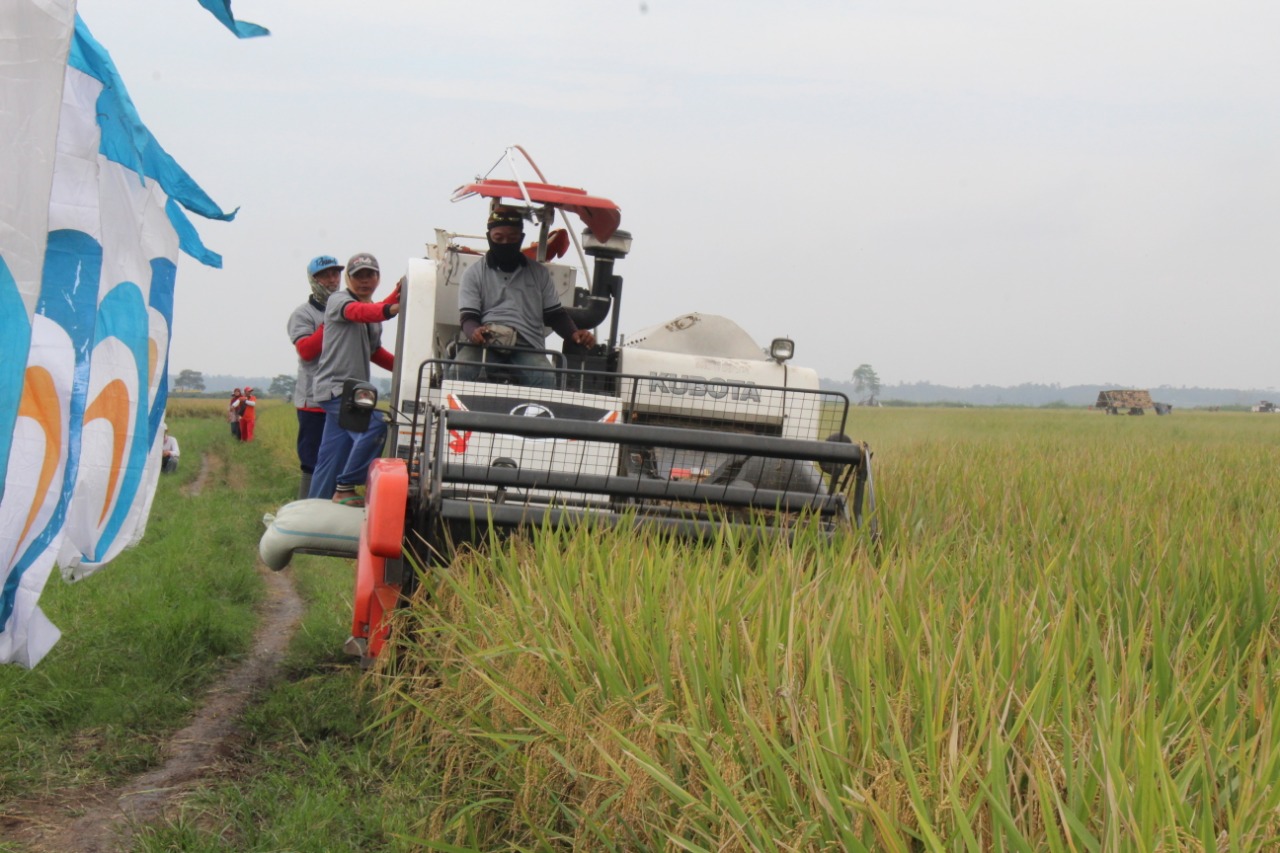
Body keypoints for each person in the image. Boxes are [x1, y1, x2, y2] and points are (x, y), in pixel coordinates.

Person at [452, 206, 595, 388]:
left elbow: (555, 315)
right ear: (490, 237)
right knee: (459, 370)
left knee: (546, 378)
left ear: (521, 238)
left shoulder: (540, 274)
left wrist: (574, 333)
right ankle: (457, 415)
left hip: (527, 346)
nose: (505, 243)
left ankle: (537, 416)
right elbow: (468, 317)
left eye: (512, 239)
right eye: (499, 238)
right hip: (487, 344)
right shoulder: (472, 274)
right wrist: (474, 332)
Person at [308, 252, 399, 505]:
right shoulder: (339, 300)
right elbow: (359, 312)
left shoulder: (374, 316)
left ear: (378, 278)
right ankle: (346, 488)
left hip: (353, 393)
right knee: (376, 425)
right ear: (348, 278)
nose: (364, 280)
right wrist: (391, 307)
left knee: (330, 458)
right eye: (358, 275)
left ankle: (312, 513)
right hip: (336, 389)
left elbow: (375, 352)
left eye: (370, 274)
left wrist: (405, 368)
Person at [288, 255, 344, 498]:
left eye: (335, 274)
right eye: (325, 275)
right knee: (312, 459)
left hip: (341, 399)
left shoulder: (345, 309)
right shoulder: (303, 314)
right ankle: (305, 510)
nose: (332, 280)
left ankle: (328, 514)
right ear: (314, 280)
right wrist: (331, 318)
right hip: (313, 402)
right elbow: (307, 350)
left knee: (338, 460)